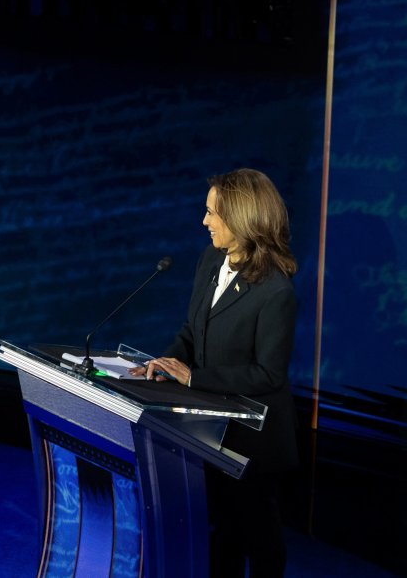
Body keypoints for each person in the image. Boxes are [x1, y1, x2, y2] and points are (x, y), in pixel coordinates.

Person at [131, 168, 297, 577]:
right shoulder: (210, 260)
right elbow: (191, 332)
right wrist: (162, 366)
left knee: (260, 543)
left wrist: (192, 378)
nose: (204, 221)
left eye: (212, 213)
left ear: (241, 217)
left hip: (253, 441)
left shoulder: (276, 292)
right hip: (208, 430)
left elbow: (268, 373)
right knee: (222, 535)